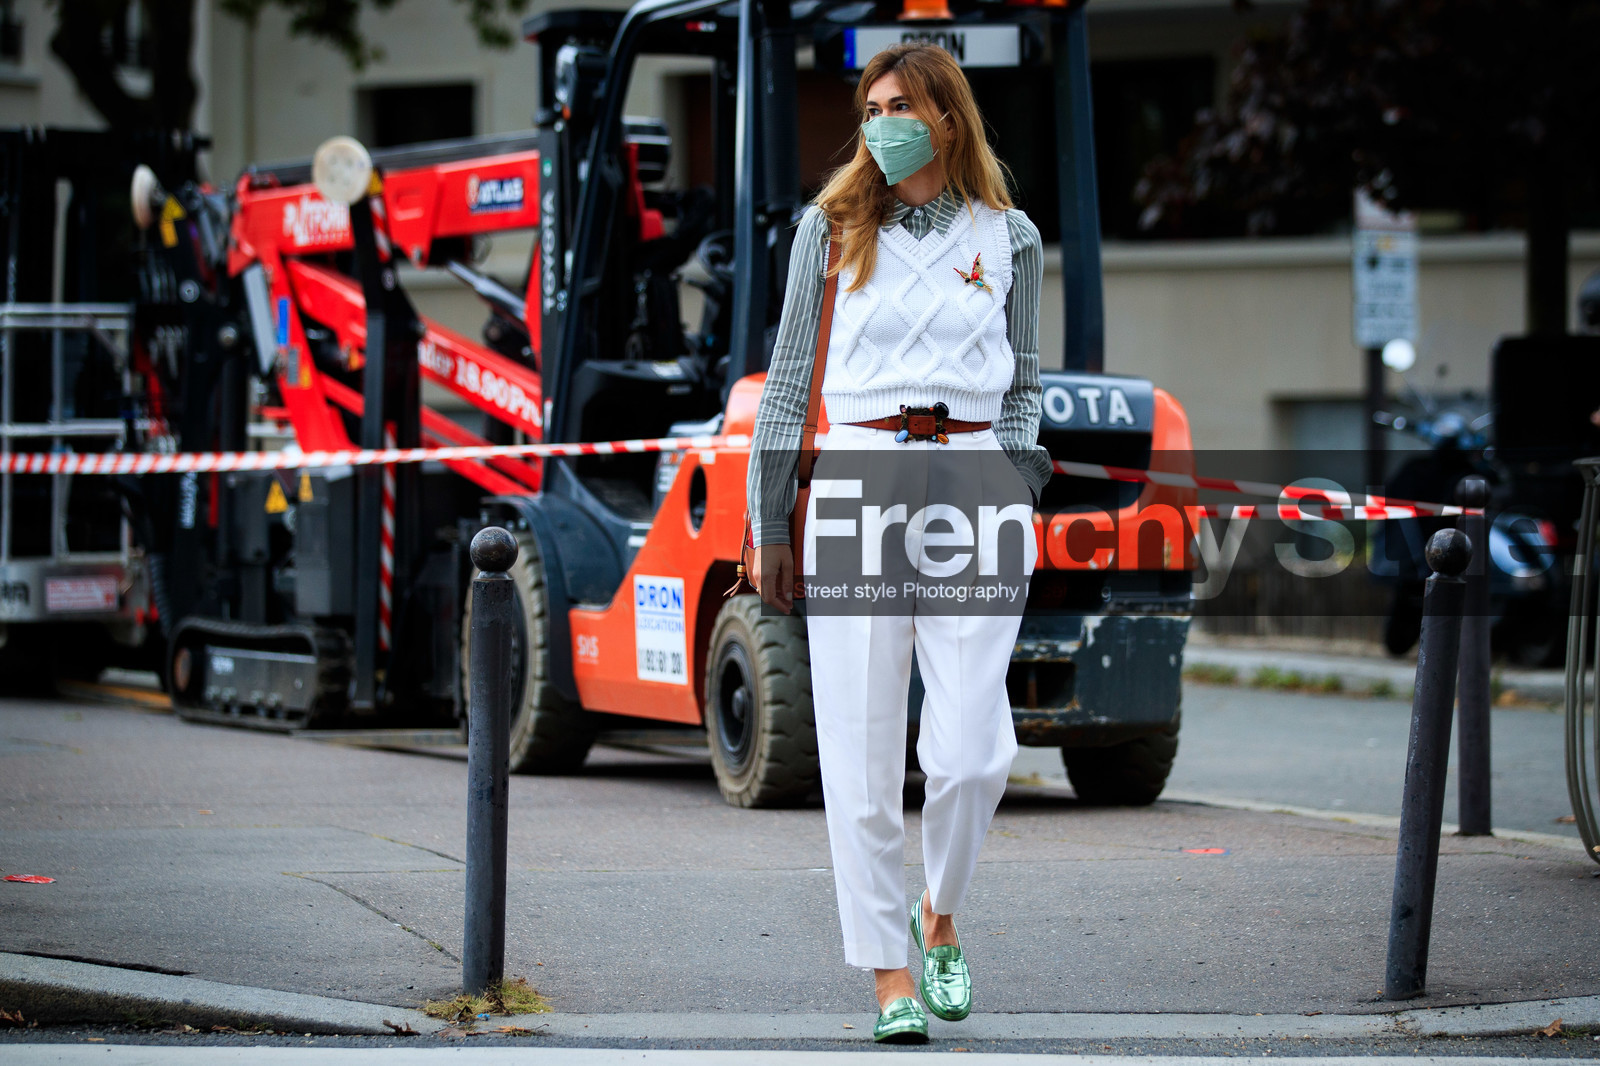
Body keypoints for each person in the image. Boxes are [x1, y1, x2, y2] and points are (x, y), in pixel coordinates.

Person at [745, 42, 1049, 1044]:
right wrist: (769, 521)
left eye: (902, 106)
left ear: (948, 118)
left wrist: (1017, 471)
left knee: (972, 751)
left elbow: (1023, 385)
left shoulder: (1010, 237)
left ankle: (940, 911)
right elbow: (789, 384)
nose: (881, 121)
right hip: (858, 479)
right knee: (861, 749)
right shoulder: (826, 230)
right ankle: (887, 973)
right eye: (870, 106)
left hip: (972, 484)